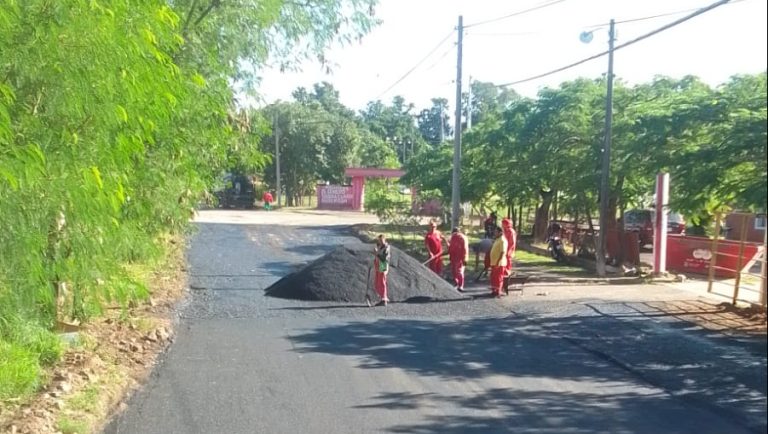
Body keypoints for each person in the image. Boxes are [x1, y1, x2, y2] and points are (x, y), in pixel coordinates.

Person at [488, 225, 508, 297]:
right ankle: (494, 290)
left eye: (496, 232)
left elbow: (503, 252)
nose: (494, 233)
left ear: (500, 232)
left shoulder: (503, 240)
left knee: (498, 277)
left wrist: (498, 262)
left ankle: (498, 291)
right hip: (493, 262)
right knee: (493, 277)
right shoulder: (497, 240)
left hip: (499, 263)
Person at [448, 227, 469, 292]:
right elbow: (451, 247)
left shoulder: (462, 238)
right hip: (454, 257)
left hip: (460, 257)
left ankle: (460, 285)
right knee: (454, 271)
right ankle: (457, 284)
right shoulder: (453, 237)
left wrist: (465, 258)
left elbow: (465, 248)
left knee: (459, 271)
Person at [373, 234, 391, 306]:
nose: (380, 241)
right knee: (377, 282)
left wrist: (376, 253)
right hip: (378, 264)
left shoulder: (386, 247)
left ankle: (384, 299)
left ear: (384, 239)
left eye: (381, 240)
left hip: (383, 264)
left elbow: (384, 258)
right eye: (379, 240)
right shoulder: (378, 246)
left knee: (382, 282)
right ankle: (383, 298)